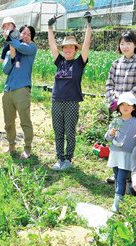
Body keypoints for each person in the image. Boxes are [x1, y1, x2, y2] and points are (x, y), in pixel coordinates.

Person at [48, 12, 92, 171]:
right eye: (65, 47)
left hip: (72, 102)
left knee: (70, 132)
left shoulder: (79, 63)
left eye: (70, 47)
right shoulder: (59, 62)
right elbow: (52, 46)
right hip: (56, 101)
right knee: (58, 131)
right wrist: (50, 27)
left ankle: (68, 159)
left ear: (75, 49)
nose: (67, 49)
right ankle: (59, 158)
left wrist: (88, 25)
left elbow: (86, 45)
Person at [2, 25, 37, 159]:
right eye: (23, 33)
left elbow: (21, 46)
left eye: (29, 34)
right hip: (8, 90)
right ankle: (11, 145)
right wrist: (11, 56)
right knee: (8, 121)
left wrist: (10, 39)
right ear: (19, 34)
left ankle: (27, 148)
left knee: (25, 121)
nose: (25, 36)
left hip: (22, 89)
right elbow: (5, 70)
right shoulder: (11, 50)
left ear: (32, 38)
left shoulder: (31, 48)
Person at [104, 93, 136, 212]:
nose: (125, 107)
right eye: (122, 105)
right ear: (119, 107)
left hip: (127, 154)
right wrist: (111, 133)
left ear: (133, 107)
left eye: (128, 105)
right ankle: (121, 199)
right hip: (115, 153)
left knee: (121, 177)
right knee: (116, 176)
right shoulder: (115, 121)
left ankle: (116, 203)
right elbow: (108, 138)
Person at [105, 31, 136, 111]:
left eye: (128, 43)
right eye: (122, 44)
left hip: (133, 108)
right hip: (115, 107)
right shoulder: (116, 63)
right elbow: (109, 85)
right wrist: (113, 100)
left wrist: (123, 101)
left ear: (135, 45)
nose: (125, 47)